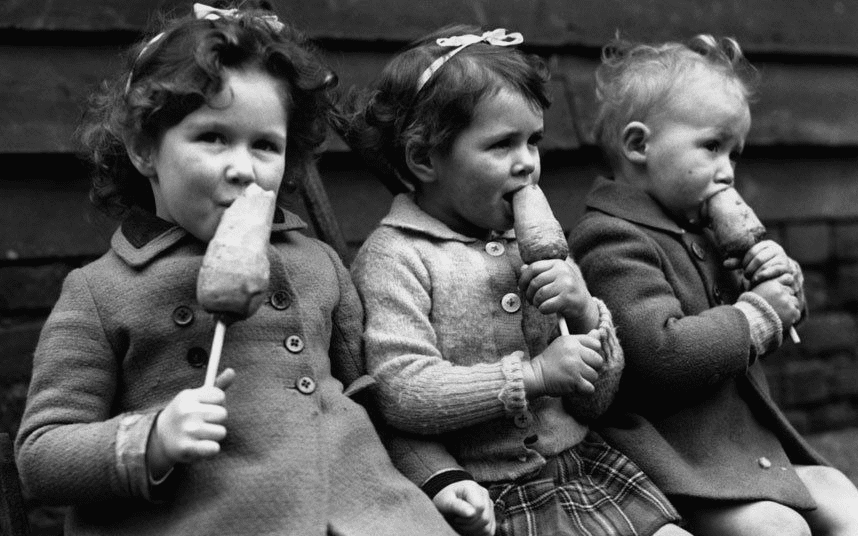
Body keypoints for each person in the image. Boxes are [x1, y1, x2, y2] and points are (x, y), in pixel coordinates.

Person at [14, 4, 461, 535]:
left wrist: (439, 477)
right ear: (142, 148)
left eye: (266, 146)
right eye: (213, 137)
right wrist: (152, 440)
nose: (244, 169)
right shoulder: (100, 291)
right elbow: (41, 456)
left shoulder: (317, 264)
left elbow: (374, 398)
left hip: (371, 513)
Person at [344, 24, 688, 536]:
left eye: (533, 140)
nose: (527, 163)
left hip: (583, 469)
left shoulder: (538, 246)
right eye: (502, 144)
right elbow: (402, 393)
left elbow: (595, 400)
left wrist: (585, 313)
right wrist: (533, 376)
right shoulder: (395, 257)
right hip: (489, 493)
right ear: (424, 158)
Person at [569, 34, 858, 536]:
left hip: (742, 454)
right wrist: (758, 315)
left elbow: (771, 323)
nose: (727, 172)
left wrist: (780, 282)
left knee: (842, 495)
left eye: (734, 154)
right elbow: (659, 355)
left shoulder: (701, 230)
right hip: (672, 465)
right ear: (638, 145)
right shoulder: (609, 238)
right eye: (711, 147)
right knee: (778, 528)